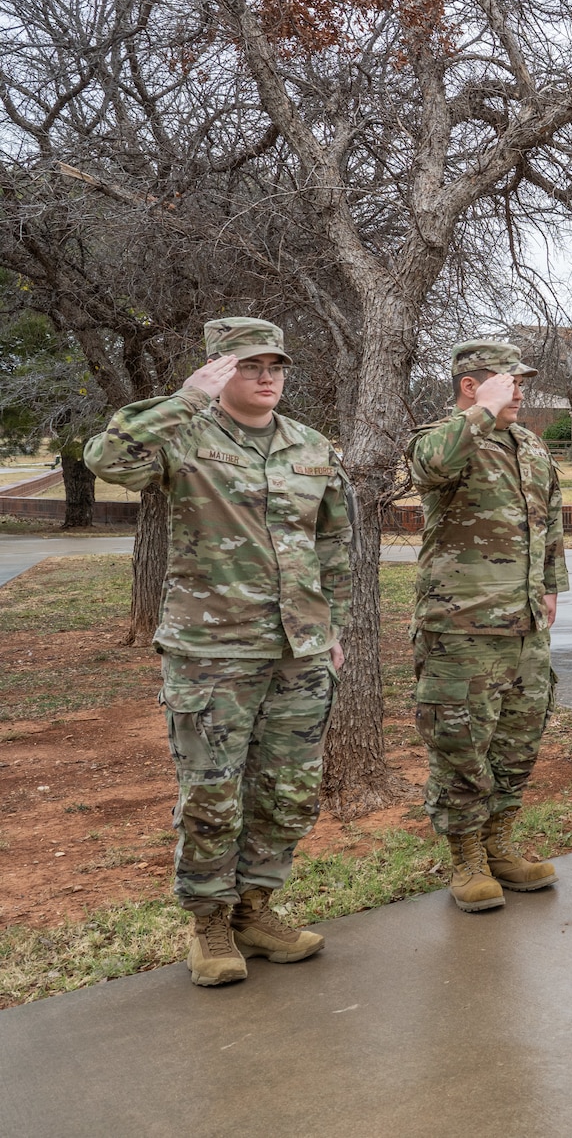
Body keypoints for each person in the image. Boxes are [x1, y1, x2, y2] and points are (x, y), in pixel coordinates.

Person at [84, 318, 349, 987]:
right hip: (212, 652)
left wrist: (333, 626)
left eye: (276, 365)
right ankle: (208, 921)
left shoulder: (311, 446)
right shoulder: (183, 437)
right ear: (216, 370)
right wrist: (184, 399)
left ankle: (254, 909)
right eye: (249, 364)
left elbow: (333, 546)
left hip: (299, 652)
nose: (267, 376)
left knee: (289, 789)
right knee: (213, 794)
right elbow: (107, 458)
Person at [406, 340, 569, 913]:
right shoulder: (445, 435)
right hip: (461, 624)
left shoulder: (528, 445)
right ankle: (466, 856)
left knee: (518, 740)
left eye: (522, 380)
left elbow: (548, 522)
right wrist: (476, 415)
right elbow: (428, 468)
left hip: (524, 623)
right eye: (508, 380)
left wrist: (550, 586)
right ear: (470, 385)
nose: (520, 390)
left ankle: (499, 842)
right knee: (460, 742)